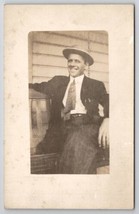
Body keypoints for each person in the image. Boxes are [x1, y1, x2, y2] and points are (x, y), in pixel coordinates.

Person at [29, 46, 109, 174]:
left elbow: (108, 101)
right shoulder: (58, 81)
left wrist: (107, 119)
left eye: (77, 61)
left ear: (86, 65)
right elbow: (39, 86)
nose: (72, 64)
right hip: (61, 126)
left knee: (78, 144)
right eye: (70, 61)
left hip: (86, 125)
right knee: (41, 152)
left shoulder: (95, 85)